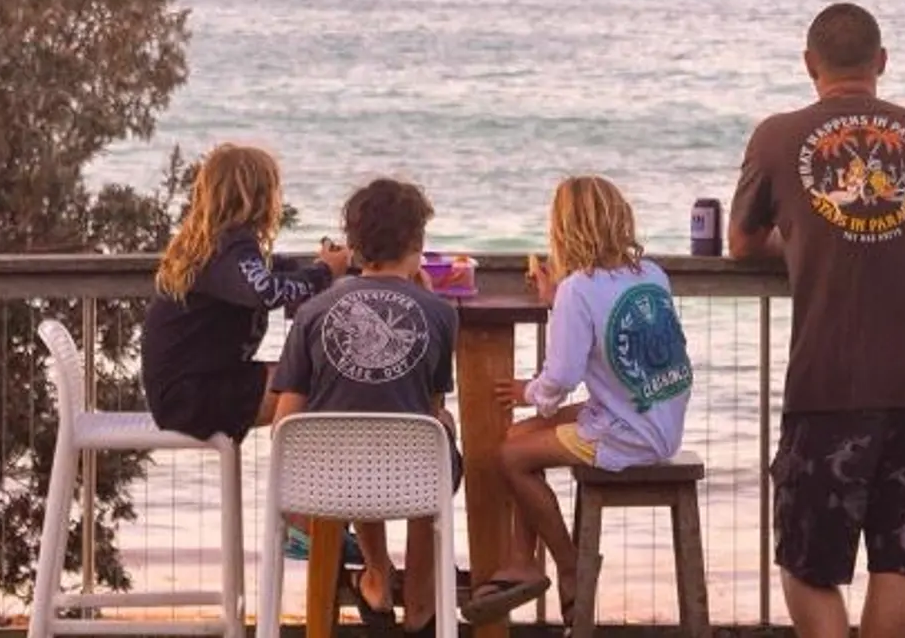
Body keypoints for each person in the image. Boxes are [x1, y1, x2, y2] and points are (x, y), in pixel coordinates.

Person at [729, 3, 905, 638]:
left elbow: (740, 243)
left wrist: (802, 244)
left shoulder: (776, 137)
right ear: (881, 63)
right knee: (898, 562)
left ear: (810, 65)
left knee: (807, 561)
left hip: (828, 380)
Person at [481, 176, 693, 628]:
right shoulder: (651, 273)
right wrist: (559, 299)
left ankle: (570, 565)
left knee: (511, 456)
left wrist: (528, 392)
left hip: (630, 434)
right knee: (521, 435)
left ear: (562, 229)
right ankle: (522, 559)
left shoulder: (578, 288)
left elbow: (561, 376)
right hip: (657, 417)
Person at [271, 177, 462, 638]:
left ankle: (376, 575)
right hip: (412, 475)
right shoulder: (440, 313)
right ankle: (420, 600)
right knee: (434, 434)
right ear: (417, 241)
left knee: (356, 432)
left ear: (353, 246)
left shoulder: (313, 311)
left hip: (327, 482)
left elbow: (284, 423)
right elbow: (429, 409)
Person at [142, 143, 349, 442]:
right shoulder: (230, 246)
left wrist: (306, 269)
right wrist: (325, 272)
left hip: (182, 393)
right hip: (194, 399)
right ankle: (300, 478)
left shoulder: (214, 245)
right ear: (261, 198)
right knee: (323, 380)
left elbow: (260, 273)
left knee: (314, 376)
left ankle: (303, 476)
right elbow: (263, 291)